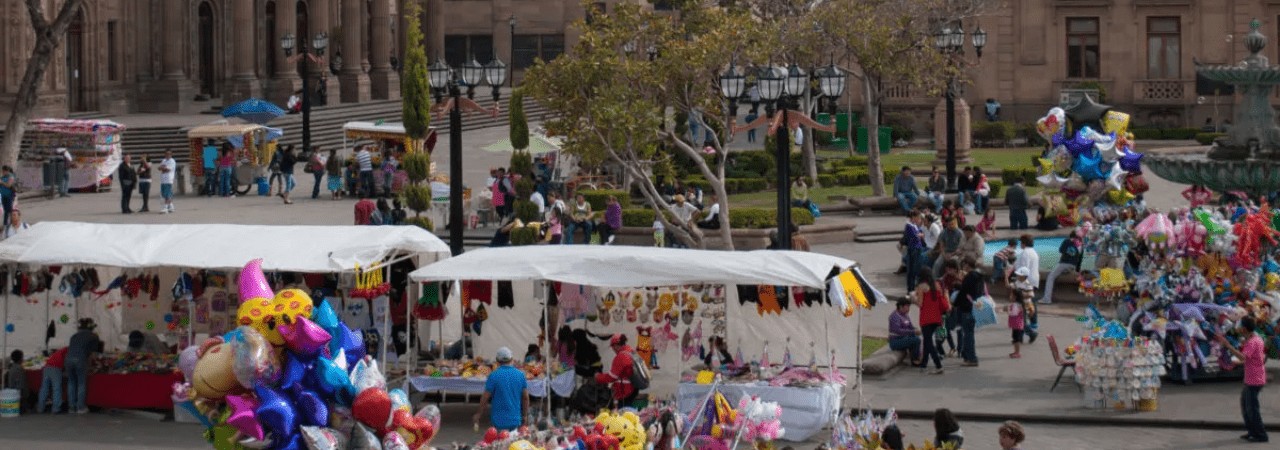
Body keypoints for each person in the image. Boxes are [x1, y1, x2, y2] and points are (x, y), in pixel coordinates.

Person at [1217, 317, 1268, 443]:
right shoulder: (1254, 339)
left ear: (1245, 328)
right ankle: (1252, 432)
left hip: (1254, 379)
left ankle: (1260, 435)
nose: (1239, 328)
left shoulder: (1252, 342)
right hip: (1252, 378)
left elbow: (1242, 357)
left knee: (1252, 409)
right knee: (1246, 407)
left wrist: (1228, 345)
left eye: (1240, 326)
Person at [473, 347, 529, 431]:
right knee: (513, 443)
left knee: (499, 442)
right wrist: (525, 415)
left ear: (497, 360)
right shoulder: (520, 375)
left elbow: (485, 397)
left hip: (498, 421)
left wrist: (479, 414)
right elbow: (525, 397)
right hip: (515, 419)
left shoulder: (493, 375)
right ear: (511, 359)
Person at [913, 271, 947, 375]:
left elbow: (920, 304)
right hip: (936, 318)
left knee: (928, 343)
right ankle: (923, 365)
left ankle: (938, 365)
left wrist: (912, 299)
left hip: (926, 318)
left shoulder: (921, 287)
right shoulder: (937, 285)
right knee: (927, 341)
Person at [65, 318, 100, 414]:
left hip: (68, 360)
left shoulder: (74, 336)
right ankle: (80, 407)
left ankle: (71, 407)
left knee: (71, 383)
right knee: (81, 383)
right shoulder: (93, 336)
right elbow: (95, 351)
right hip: (80, 360)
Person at [955, 256, 984, 366]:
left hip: (966, 308)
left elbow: (963, 292)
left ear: (967, 265)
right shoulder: (979, 277)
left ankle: (971, 358)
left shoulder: (970, 277)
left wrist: (954, 304)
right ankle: (967, 356)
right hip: (974, 307)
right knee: (969, 333)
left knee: (968, 334)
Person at [1041, 229, 1083, 305]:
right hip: (1072, 266)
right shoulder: (1080, 245)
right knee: (1057, 271)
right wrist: (1077, 270)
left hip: (1064, 264)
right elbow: (1080, 259)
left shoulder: (1067, 241)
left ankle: (1047, 299)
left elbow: (1061, 250)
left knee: (1050, 277)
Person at [1011, 234, 1040, 340]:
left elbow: (1024, 269)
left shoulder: (1025, 253)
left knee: (1023, 304)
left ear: (1023, 243)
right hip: (1034, 280)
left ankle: (1028, 329)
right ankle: (1032, 323)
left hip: (1027, 282)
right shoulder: (1033, 252)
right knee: (1031, 302)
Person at [595, 334, 638, 408]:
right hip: (634, 388)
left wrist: (597, 377)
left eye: (612, 346)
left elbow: (612, 377)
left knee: (623, 414)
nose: (612, 349)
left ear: (616, 345)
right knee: (630, 412)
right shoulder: (631, 352)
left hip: (624, 390)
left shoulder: (621, 357)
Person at [888, 299, 922, 366]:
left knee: (917, 338)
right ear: (901, 306)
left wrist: (915, 330)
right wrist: (912, 332)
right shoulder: (895, 316)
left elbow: (910, 326)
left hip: (903, 338)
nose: (908, 309)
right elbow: (897, 330)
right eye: (907, 306)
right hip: (896, 341)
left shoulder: (905, 316)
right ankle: (915, 360)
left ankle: (916, 358)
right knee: (916, 340)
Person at [37, 347, 67, 414]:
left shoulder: (62, 350)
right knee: (57, 388)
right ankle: (56, 409)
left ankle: (40, 408)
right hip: (56, 368)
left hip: (47, 367)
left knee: (44, 388)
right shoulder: (70, 351)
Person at [902, 211, 926, 293]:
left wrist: (920, 234)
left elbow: (921, 232)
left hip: (918, 247)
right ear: (913, 217)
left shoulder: (915, 225)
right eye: (918, 218)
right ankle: (910, 289)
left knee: (918, 268)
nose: (919, 220)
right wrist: (920, 235)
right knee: (912, 269)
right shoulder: (909, 226)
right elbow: (916, 236)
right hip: (913, 248)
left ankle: (916, 288)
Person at [0, 165, 13, 234]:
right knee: (5, 210)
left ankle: (7, 224)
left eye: (4, 171)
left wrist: (1, 182)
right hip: (3, 196)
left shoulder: (11, 176)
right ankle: (5, 224)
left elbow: (9, 185)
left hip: (9, 196)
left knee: (8, 210)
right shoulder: (3, 177)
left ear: (7, 171)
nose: (3, 172)